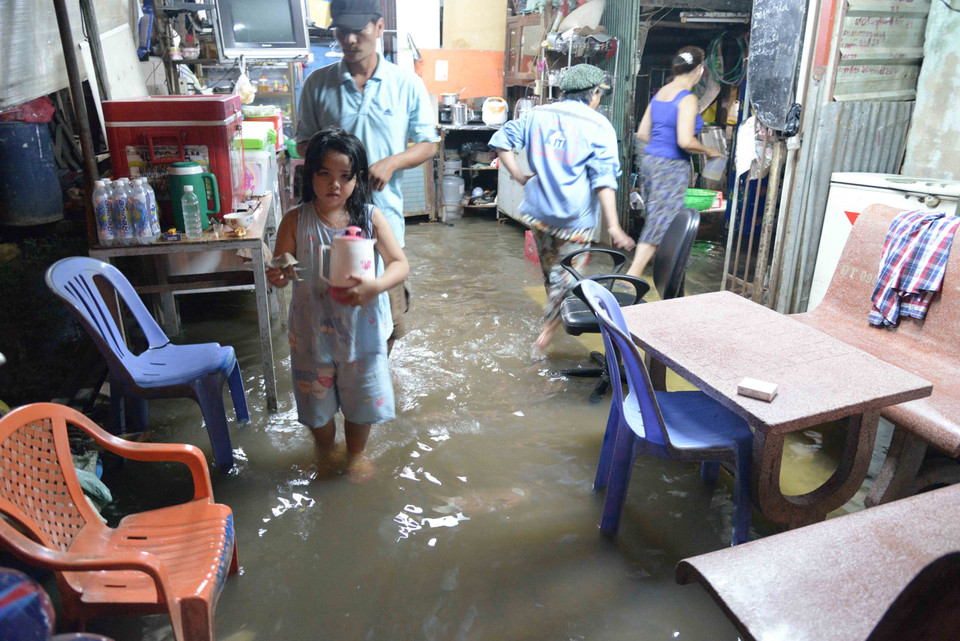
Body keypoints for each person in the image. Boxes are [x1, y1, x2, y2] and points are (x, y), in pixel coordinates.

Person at [267, 128, 409, 481]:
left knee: (361, 404)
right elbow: (282, 264)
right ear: (310, 174)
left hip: (362, 332)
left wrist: (376, 286)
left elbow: (400, 264)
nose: (335, 185)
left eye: (345, 176)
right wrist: (279, 274)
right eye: (324, 174)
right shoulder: (296, 220)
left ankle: (356, 454)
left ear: (358, 178)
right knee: (317, 404)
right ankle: (326, 450)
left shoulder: (371, 217)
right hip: (311, 332)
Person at [296, 0, 438, 352]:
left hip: (383, 218)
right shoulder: (317, 84)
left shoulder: (406, 84)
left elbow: (428, 144)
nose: (349, 39)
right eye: (341, 30)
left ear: (377, 28)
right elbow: (303, 145)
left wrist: (390, 163)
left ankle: (373, 384)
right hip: (329, 223)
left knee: (387, 319)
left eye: (358, 30)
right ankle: (338, 387)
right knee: (329, 315)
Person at [489, 64, 635, 352]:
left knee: (552, 274)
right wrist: (614, 227)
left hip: (538, 215)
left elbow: (501, 142)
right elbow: (604, 181)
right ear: (594, 93)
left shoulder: (536, 115)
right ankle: (545, 336)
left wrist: (519, 176)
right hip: (574, 223)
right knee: (568, 280)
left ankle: (550, 322)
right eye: (599, 94)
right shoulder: (598, 125)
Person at [626, 46, 721, 279]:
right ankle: (631, 279)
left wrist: (660, 146)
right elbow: (685, 141)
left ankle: (667, 275)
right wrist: (709, 150)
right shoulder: (687, 98)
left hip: (651, 162)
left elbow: (643, 134)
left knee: (660, 220)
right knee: (660, 223)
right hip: (670, 166)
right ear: (699, 70)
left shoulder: (661, 93)